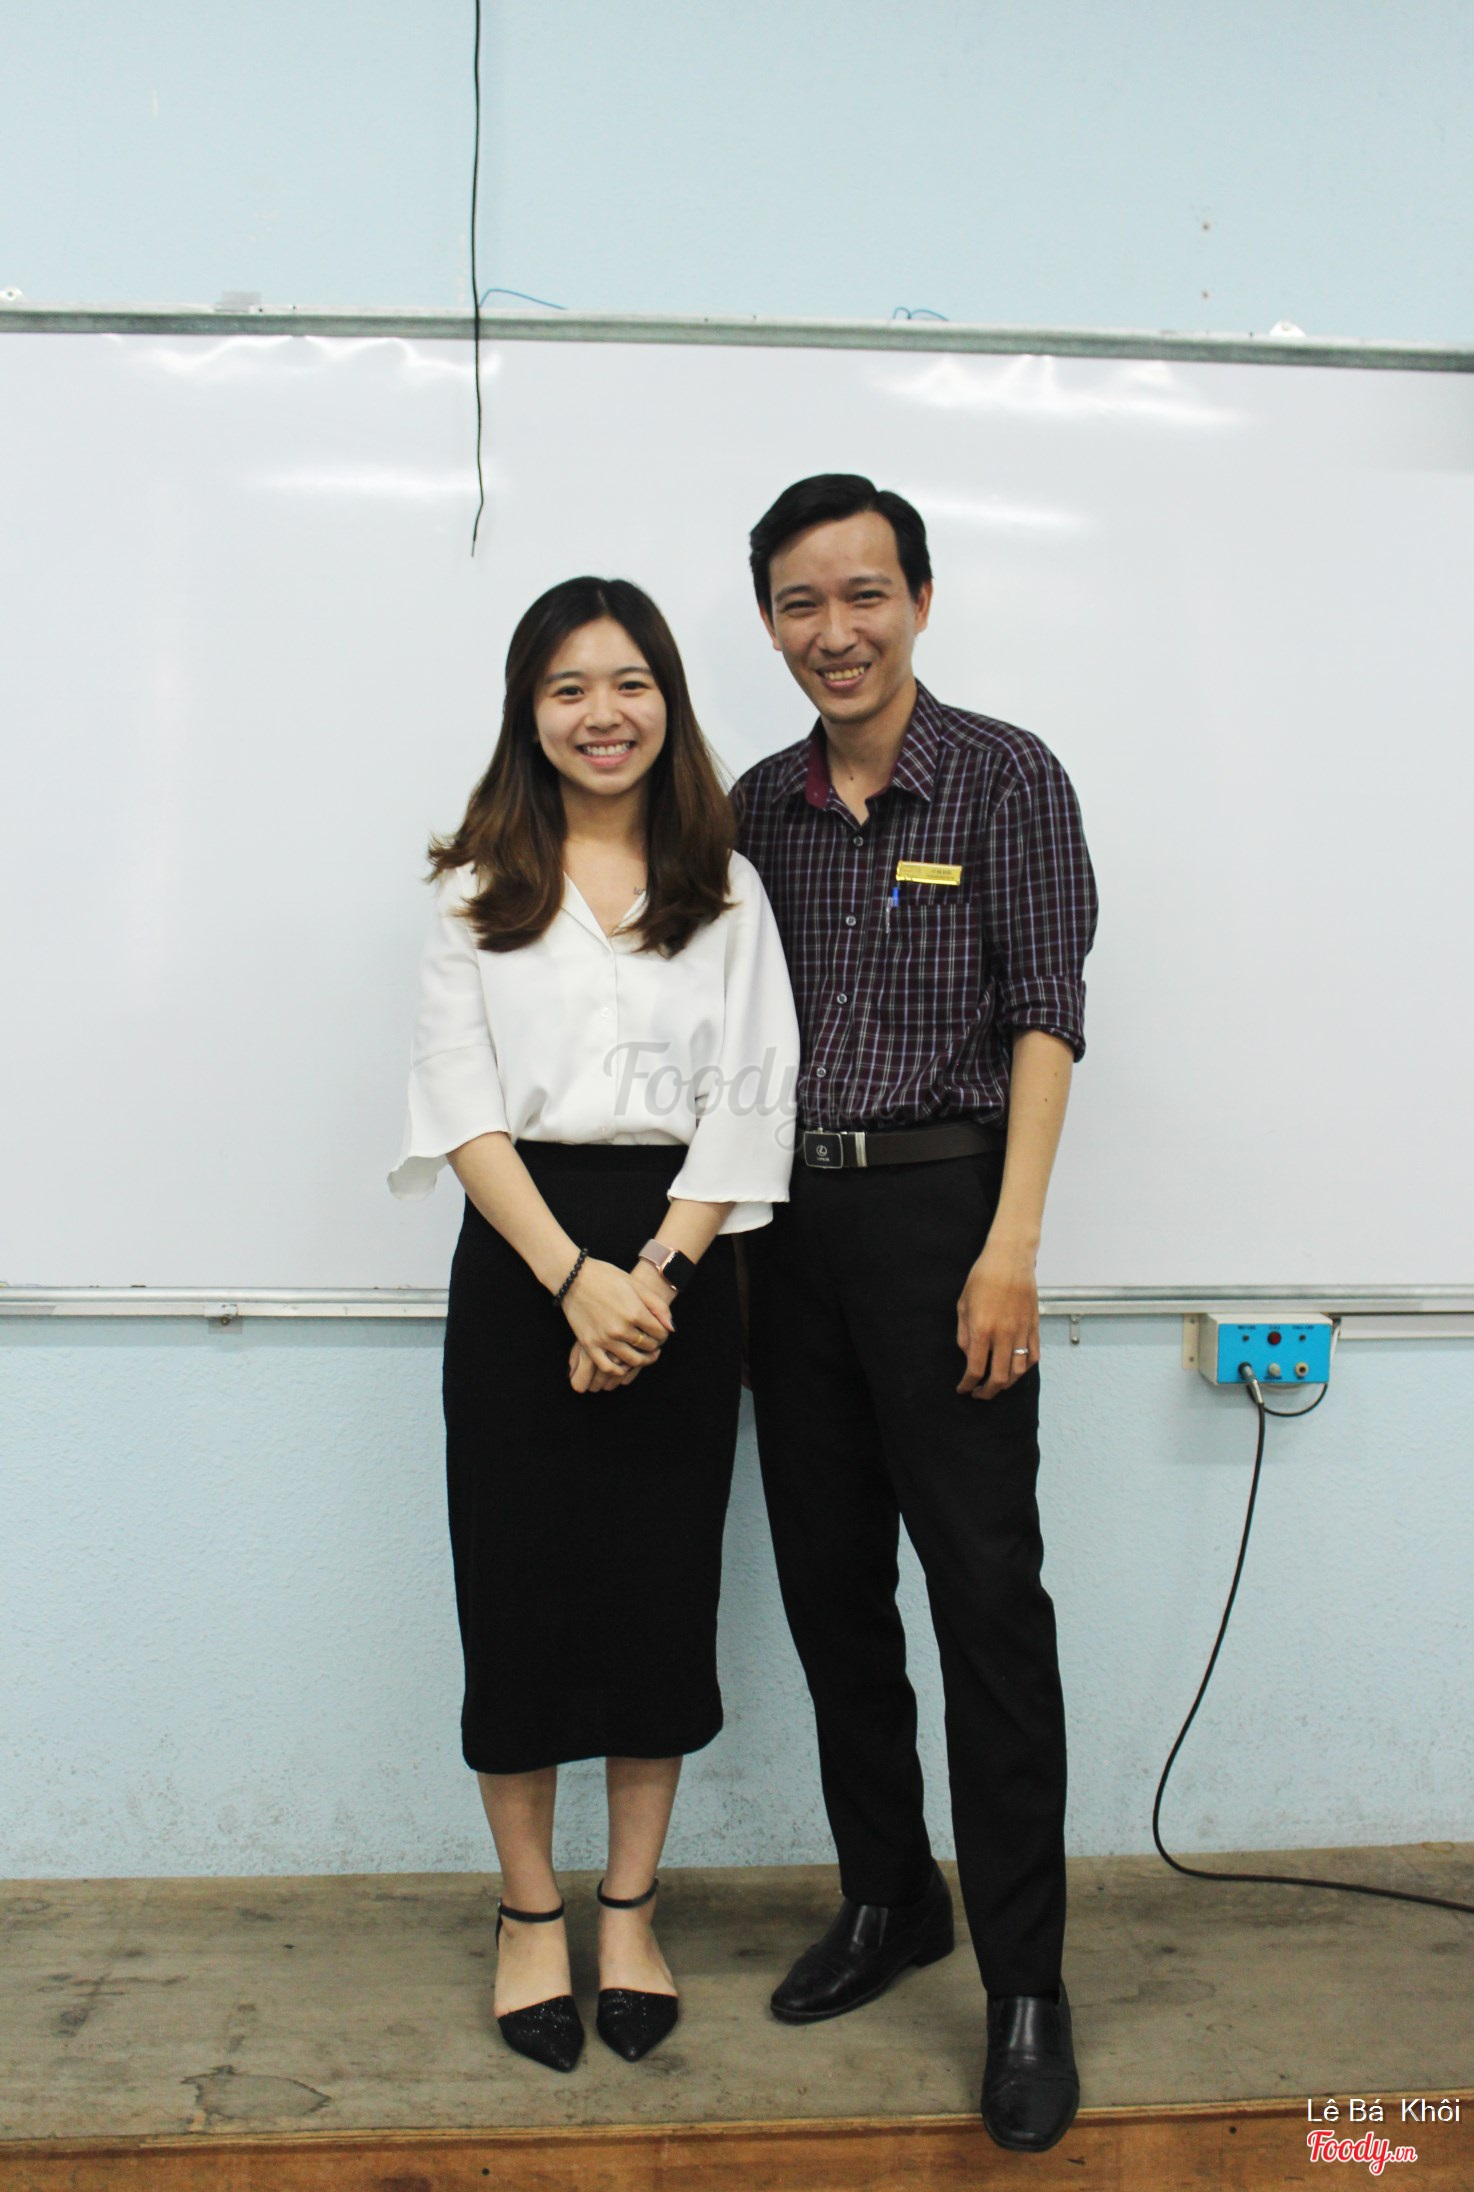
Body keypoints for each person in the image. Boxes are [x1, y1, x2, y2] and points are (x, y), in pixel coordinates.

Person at [389, 575, 798, 2073]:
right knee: (517, 1594)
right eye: (568, 687)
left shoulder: (725, 886)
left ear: (668, 703)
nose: (602, 713)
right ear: (530, 711)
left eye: (630, 683)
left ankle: (630, 1909)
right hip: (522, 1260)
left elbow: (755, 1099)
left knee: (654, 1591)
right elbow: (460, 1108)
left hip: (682, 1254)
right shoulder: (474, 888)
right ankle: (527, 1911)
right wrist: (575, 1280)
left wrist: (654, 1282)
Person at [735, 475, 1098, 2154]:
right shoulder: (759, 806)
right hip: (788, 1232)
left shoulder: (1007, 775)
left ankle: (1027, 1982)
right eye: (802, 603)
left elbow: (1047, 1012)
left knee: (986, 1601)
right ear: (771, 624)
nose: (838, 631)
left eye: (865, 593)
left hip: (951, 1220)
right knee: (831, 1592)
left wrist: (1011, 1243)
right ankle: (889, 1896)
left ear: (922, 601)